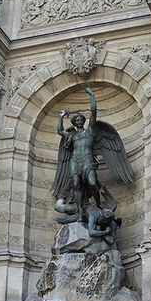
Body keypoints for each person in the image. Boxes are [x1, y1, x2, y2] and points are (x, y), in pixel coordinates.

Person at [57, 86, 101, 220]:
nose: (79, 121)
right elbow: (60, 131)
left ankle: (98, 204)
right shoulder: (72, 135)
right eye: (77, 120)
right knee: (76, 184)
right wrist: (60, 117)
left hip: (87, 159)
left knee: (92, 183)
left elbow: (93, 112)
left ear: (84, 121)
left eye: (81, 119)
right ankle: (81, 211)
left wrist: (91, 95)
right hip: (75, 160)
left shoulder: (90, 131)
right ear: (74, 122)